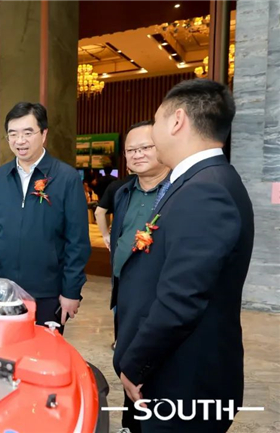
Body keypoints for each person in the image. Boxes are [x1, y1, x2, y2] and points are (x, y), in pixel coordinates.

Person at [114, 79, 254, 433]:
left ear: (177, 120)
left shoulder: (205, 190)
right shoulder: (203, 180)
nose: (153, 130)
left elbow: (182, 298)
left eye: (156, 120)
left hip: (182, 380)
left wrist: (136, 364)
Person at [0, 102, 91, 334]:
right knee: (4, 350)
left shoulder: (66, 178)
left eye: (28, 133)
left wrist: (71, 291)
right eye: (13, 134)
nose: (20, 141)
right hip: (3, 291)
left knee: (43, 352)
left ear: (44, 134)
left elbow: (77, 241)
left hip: (48, 292)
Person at [106, 120, 170, 431]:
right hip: (126, 298)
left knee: (157, 373)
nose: (137, 154)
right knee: (127, 364)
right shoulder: (123, 192)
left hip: (160, 300)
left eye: (145, 147)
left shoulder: (177, 192)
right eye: (131, 150)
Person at [94, 172, 137, 250]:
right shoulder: (151, 185)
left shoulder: (114, 184)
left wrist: (105, 235)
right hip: (143, 233)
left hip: (119, 231)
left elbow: (99, 212)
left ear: (127, 169)